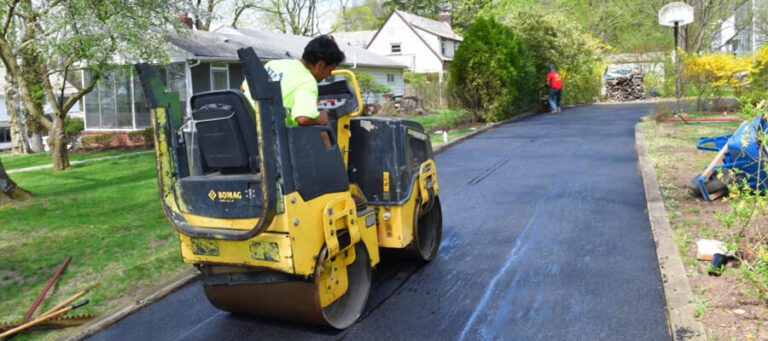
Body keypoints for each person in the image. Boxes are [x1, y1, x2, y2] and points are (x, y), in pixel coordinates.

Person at [242, 34, 345, 127]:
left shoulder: (274, 64)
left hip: (243, 128)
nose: (329, 75)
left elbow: (243, 88)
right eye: (330, 70)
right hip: (270, 139)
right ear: (320, 65)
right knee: (322, 132)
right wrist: (320, 118)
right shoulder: (307, 82)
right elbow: (303, 119)